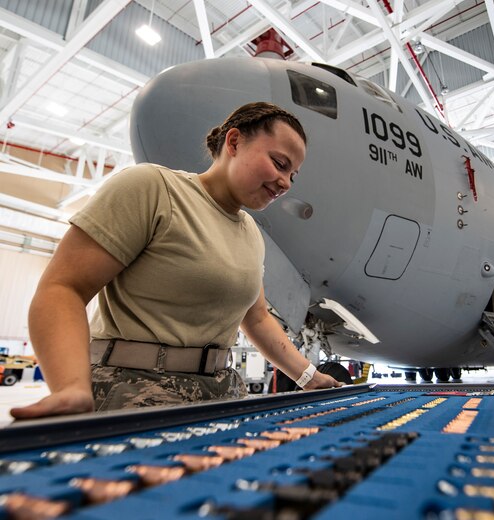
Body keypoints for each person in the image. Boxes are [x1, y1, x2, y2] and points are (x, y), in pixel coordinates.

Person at [11, 102, 341, 420]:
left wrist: (309, 377)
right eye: (280, 164)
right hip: (133, 390)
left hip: (220, 393)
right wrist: (71, 386)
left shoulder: (252, 233)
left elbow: (256, 320)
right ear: (235, 141)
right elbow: (64, 287)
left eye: (293, 176)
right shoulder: (153, 188)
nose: (285, 183)